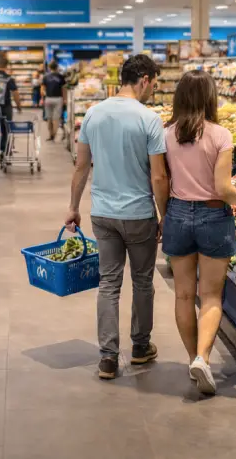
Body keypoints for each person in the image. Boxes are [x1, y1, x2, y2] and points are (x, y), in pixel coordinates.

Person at [64, 54, 168, 381]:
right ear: (144, 80)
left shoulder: (93, 114)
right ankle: (140, 347)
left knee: (108, 284)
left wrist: (73, 206)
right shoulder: (149, 119)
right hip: (139, 215)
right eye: (154, 84)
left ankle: (108, 358)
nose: (153, 90)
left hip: (103, 214)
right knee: (142, 281)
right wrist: (164, 214)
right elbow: (158, 176)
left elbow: (81, 166)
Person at [162, 70, 236, 395]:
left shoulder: (166, 134)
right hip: (214, 216)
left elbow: (160, 179)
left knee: (183, 295)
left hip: (176, 213)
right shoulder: (221, 135)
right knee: (211, 296)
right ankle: (203, 357)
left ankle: (192, 358)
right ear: (210, 97)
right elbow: (222, 188)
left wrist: (163, 215)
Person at [41, 61, 66, 141]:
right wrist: (64, 99)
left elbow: (42, 89)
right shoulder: (61, 76)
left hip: (48, 98)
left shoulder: (45, 77)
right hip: (58, 99)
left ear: (49, 67)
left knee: (49, 118)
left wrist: (43, 98)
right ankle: (54, 135)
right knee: (56, 119)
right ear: (57, 67)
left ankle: (50, 135)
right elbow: (63, 89)